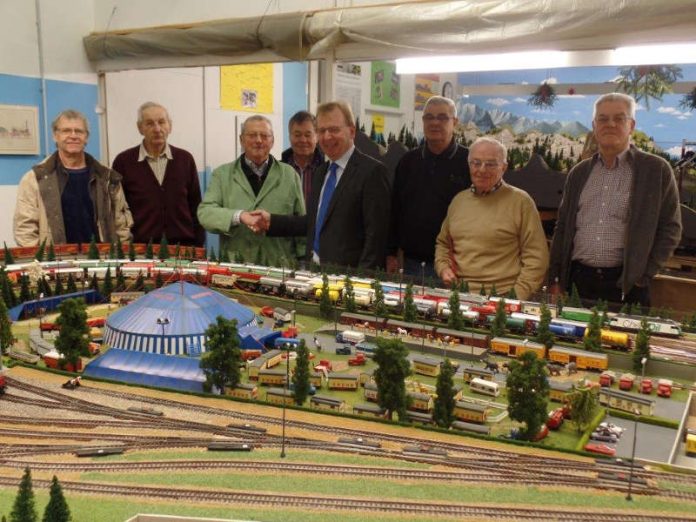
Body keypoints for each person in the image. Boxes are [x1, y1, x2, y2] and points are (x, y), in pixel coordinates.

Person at [549, 93, 682, 308]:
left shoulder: (656, 170)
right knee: (571, 340)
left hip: (628, 287)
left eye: (619, 118)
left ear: (632, 125)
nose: (610, 124)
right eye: (603, 119)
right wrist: (556, 278)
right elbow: (562, 228)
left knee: (624, 341)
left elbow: (671, 228)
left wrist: (643, 276)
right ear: (594, 126)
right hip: (578, 282)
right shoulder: (579, 173)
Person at [254, 101, 391, 270]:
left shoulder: (373, 172)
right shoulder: (322, 172)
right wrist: (272, 222)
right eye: (322, 130)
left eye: (334, 130)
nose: (326, 137)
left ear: (352, 131)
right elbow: (314, 222)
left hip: (349, 279)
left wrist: (360, 281)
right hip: (315, 272)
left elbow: (376, 239)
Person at [434, 137, 548, 300]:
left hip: (502, 297)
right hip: (458, 296)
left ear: (504, 167)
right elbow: (443, 243)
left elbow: (537, 258)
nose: (482, 169)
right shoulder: (458, 201)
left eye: (491, 164)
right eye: (476, 162)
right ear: (469, 165)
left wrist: (514, 297)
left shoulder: (522, 202)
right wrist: (443, 268)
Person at [14, 109, 132, 247]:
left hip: (101, 261)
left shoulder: (107, 178)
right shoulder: (35, 178)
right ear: (55, 136)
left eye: (79, 131)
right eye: (66, 131)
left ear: (86, 137)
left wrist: (120, 256)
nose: (73, 136)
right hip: (55, 263)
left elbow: (121, 225)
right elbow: (25, 229)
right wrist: (43, 261)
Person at [197, 115, 305, 266]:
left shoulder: (290, 174)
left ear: (272, 141)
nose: (259, 140)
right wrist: (239, 216)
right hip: (235, 266)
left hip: (280, 265)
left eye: (264, 135)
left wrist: (304, 260)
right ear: (241, 140)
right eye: (252, 135)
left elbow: (300, 220)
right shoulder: (222, 174)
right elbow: (206, 213)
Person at [387, 95, 470, 278]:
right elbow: (395, 209)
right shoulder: (408, 162)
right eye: (429, 117)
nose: (434, 123)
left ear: (454, 122)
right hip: (412, 263)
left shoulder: (469, 162)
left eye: (442, 117)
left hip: (456, 265)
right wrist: (391, 252)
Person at [112, 102, 205, 246]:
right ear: (140, 128)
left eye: (162, 122)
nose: (157, 129)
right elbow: (118, 210)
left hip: (183, 247)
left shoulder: (185, 159)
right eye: (149, 123)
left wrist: (199, 243)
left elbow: (196, 206)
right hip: (140, 248)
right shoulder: (123, 161)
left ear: (170, 126)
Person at [281, 110, 323, 204]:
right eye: (297, 135)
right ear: (290, 137)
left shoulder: (327, 169)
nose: (303, 140)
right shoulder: (279, 169)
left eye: (308, 135)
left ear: (317, 137)